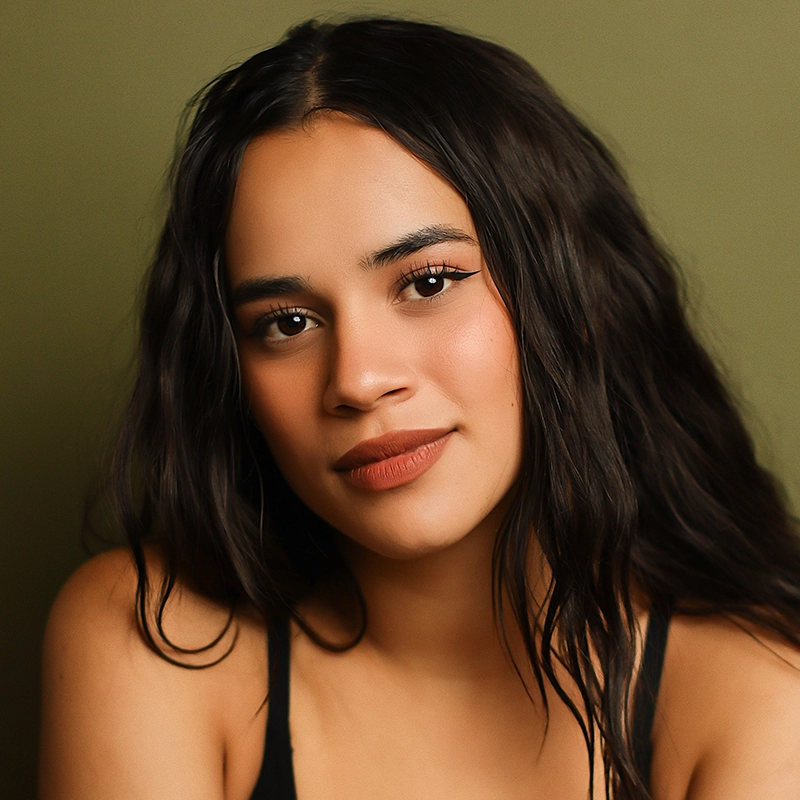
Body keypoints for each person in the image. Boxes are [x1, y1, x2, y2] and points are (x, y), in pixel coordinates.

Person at [39, 17, 800, 800]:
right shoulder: (153, 632)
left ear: (570, 294)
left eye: (428, 282)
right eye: (286, 323)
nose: (360, 380)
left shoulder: (757, 691)